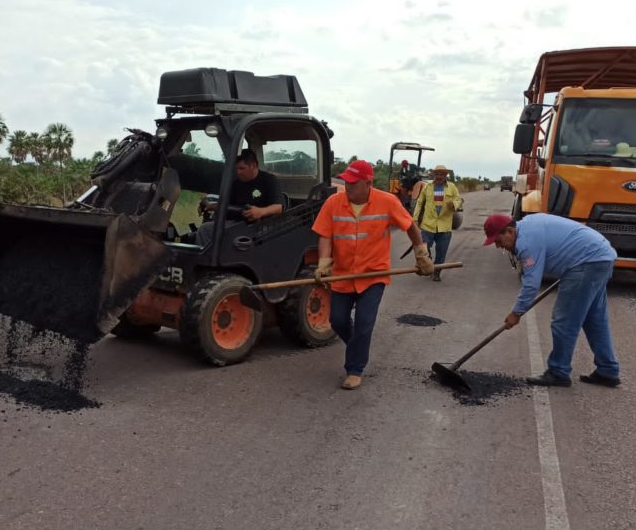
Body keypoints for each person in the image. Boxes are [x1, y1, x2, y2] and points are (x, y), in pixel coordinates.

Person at [312, 159, 433, 390]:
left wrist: (421, 254)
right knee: (337, 320)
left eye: (352, 183)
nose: (347, 186)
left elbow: (410, 226)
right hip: (343, 275)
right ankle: (358, 346)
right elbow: (325, 235)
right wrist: (324, 263)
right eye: (346, 181)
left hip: (373, 275)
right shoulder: (333, 203)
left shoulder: (387, 201)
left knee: (364, 324)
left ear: (367, 183)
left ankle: (354, 369)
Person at [482, 212, 621, 388]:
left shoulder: (526, 242)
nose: (498, 246)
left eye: (498, 241)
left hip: (587, 262)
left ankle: (558, 372)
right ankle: (608, 370)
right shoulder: (527, 227)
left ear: (509, 231)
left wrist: (516, 312)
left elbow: (531, 284)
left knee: (564, 322)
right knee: (595, 319)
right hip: (601, 257)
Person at [195, 149, 283, 245]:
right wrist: (212, 206)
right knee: (206, 228)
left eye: (242, 168)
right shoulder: (236, 184)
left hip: (261, 225)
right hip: (238, 223)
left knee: (207, 230)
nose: (238, 172)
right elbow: (228, 205)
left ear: (253, 166)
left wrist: (260, 211)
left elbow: (278, 207)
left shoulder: (269, 181)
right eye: (236, 168)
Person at [412, 164, 462, 281]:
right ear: (434, 174)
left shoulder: (452, 187)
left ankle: (437, 272)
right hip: (428, 224)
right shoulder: (427, 187)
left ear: (445, 175)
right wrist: (414, 218)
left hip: (444, 226)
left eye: (442, 174)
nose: (439, 176)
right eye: (437, 174)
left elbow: (458, 200)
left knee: (441, 252)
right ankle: (427, 265)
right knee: (424, 249)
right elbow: (419, 202)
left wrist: (454, 204)